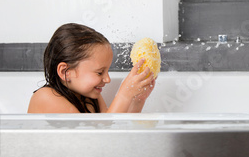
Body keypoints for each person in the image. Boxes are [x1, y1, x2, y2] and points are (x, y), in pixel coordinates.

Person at [28, 23, 156, 113]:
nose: (107, 79)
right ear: (65, 72)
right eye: (100, 72)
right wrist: (124, 95)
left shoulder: (89, 96)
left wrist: (137, 100)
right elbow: (99, 138)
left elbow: (114, 125)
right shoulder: (46, 98)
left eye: (107, 71)